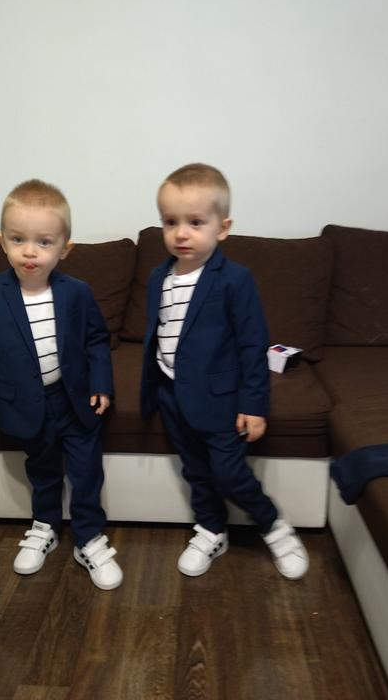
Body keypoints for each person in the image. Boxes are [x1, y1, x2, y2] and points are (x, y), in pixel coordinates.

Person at [140, 163, 308, 580]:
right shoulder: (159, 276)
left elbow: (252, 345)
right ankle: (212, 528)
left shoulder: (235, 279)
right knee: (195, 471)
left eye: (195, 222)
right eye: (171, 222)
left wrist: (254, 404)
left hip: (220, 401)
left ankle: (273, 525)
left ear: (223, 228)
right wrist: (156, 389)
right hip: (171, 394)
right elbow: (160, 332)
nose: (181, 233)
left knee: (229, 473)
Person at [0, 179, 122, 590]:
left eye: (44, 242)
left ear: (64, 249)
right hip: (25, 406)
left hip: (75, 402)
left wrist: (102, 383)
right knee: (43, 470)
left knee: (86, 472)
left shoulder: (77, 292)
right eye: (18, 239)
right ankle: (45, 525)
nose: (30, 251)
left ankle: (88, 536)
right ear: (1, 241)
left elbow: (97, 339)